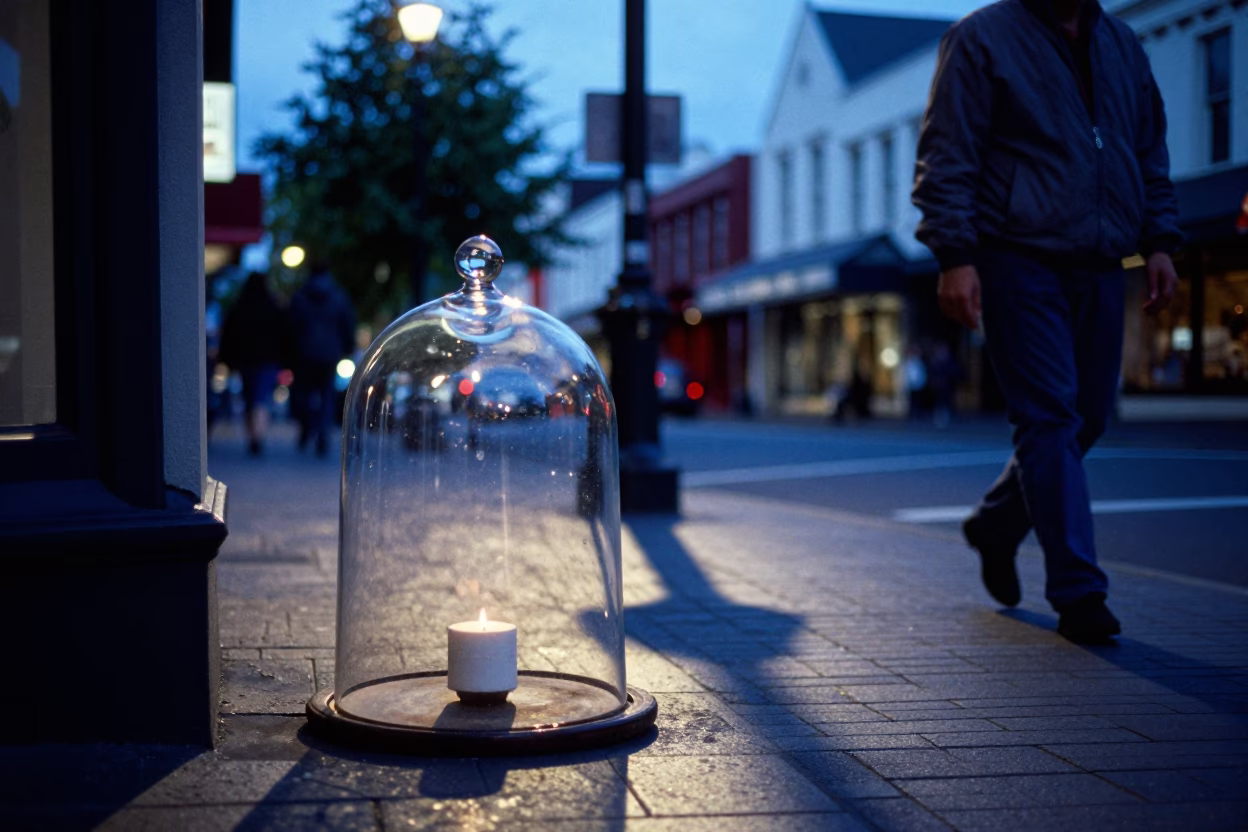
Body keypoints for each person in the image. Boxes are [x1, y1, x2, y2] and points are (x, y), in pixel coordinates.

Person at [912, 0, 1180, 643]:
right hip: (1015, 255)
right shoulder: (980, 39)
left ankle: (998, 523)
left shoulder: (1122, 43)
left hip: (1101, 259)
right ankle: (1079, 593)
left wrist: (1161, 240)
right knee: (1049, 416)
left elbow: (1148, 150)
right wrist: (956, 256)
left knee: (1088, 415)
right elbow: (949, 154)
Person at [287, 261, 356, 457]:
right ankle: (322, 435)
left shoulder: (299, 297)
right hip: (329, 354)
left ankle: (306, 428)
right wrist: (347, 348)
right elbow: (347, 324)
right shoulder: (338, 297)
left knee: (304, 394)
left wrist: (291, 353)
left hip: (304, 355)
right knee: (327, 395)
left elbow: (291, 328)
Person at [219, 271, 286, 456]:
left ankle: (252, 436)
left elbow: (228, 334)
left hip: (245, 359)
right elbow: (284, 333)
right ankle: (259, 436)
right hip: (268, 359)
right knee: (262, 399)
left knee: (249, 399)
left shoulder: (240, 305)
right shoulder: (273, 306)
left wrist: (226, 358)